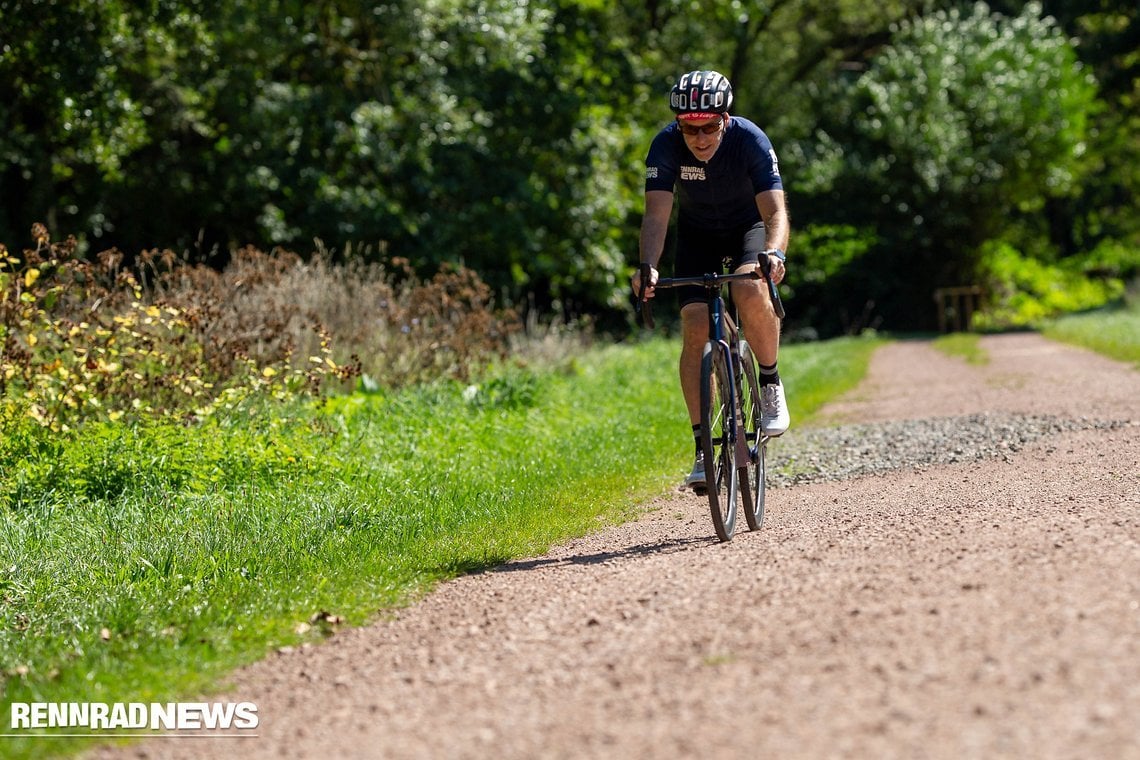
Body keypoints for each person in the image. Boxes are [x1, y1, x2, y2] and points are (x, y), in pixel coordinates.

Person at [631, 69, 791, 491]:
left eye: (709, 127)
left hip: (747, 230)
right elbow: (656, 216)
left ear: (725, 118)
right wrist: (648, 265)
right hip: (697, 235)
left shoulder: (750, 140)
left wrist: (774, 253)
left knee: (746, 285)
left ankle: (770, 381)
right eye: (690, 128)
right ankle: (704, 449)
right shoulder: (665, 146)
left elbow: (775, 213)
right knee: (695, 325)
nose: (699, 137)